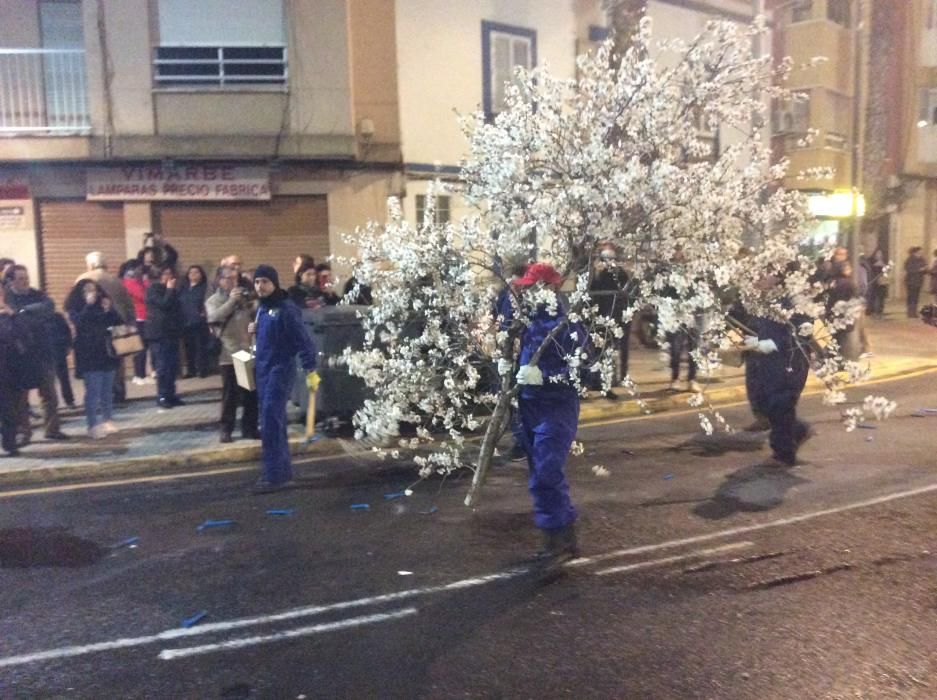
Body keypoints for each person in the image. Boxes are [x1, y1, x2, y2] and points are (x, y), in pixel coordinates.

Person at [499, 262, 584, 564]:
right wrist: (507, 371)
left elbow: (583, 372)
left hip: (556, 407)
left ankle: (557, 541)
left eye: (533, 286)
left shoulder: (567, 326)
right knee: (540, 474)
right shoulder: (525, 321)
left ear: (550, 287)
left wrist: (545, 378)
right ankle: (563, 536)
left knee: (546, 473)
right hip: (529, 406)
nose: (527, 291)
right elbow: (509, 348)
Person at [249, 264, 318, 492]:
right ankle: (279, 472)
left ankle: (275, 475)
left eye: (265, 282)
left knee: (271, 420)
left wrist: (311, 369)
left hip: (280, 369)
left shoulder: (286, 309)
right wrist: (254, 331)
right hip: (263, 370)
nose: (260, 286)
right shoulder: (262, 308)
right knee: (271, 422)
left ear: (274, 283)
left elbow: (302, 339)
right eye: (257, 282)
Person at [741, 285, 811, 467]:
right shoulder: (764, 299)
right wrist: (753, 341)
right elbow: (758, 326)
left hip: (788, 362)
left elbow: (800, 331)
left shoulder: (795, 299)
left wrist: (769, 344)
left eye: (768, 272)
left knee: (780, 404)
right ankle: (798, 430)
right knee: (768, 404)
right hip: (767, 361)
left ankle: (784, 454)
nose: (762, 278)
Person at [3, 265, 69, 442]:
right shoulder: (7, 298)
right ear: (11, 281)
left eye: (26, 278)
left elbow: (49, 307)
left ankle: (52, 429)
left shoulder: (36, 294)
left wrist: (24, 313)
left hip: (42, 352)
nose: (25, 282)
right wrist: (24, 317)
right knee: (21, 399)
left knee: (49, 394)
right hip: (20, 355)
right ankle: (24, 432)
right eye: (20, 279)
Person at [206, 265, 260, 443]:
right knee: (230, 395)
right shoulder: (214, 300)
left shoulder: (242, 299)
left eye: (235, 278)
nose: (232, 282)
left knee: (249, 394)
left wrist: (253, 303)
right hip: (228, 353)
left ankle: (249, 428)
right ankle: (226, 430)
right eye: (228, 278)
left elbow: (252, 315)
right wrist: (231, 301)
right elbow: (213, 317)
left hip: (244, 351)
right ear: (220, 280)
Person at [66, 281, 123, 438]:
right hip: (88, 354)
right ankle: (92, 425)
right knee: (93, 391)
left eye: (94, 290)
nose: (92, 293)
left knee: (107, 390)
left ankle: (108, 420)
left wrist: (109, 309)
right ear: (80, 293)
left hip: (107, 352)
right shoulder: (75, 307)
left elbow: (119, 323)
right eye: (87, 290)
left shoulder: (104, 305)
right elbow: (80, 322)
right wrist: (89, 305)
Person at [589, 243, 631, 397]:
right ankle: (595, 381)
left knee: (608, 352)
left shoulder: (620, 275)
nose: (609, 262)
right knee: (596, 351)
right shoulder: (597, 274)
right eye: (606, 259)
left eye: (611, 259)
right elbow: (592, 292)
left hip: (614, 317)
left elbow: (625, 294)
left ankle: (606, 384)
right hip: (599, 317)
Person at [1, 296, 42, 456]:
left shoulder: (10, 317)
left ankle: (9, 444)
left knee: (9, 411)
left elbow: (25, 335)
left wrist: (13, 315)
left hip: (10, 371)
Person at [145, 265, 185, 409]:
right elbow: (164, 304)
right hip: (159, 334)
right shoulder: (153, 289)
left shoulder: (173, 290)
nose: (169, 277)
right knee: (162, 366)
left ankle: (171, 394)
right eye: (166, 273)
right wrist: (169, 289)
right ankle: (162, 396)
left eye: (171, 274)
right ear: (160, 276)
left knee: (172, 366)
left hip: (172, 332)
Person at [121, 258, 153, 386]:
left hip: (143, 317)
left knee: (143, 347)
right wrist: (145, 281)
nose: (140, 271)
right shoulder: (129, 282)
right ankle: (139, 375)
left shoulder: (135, 281)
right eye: (138, 268)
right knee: (140, 347)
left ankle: (141, 374)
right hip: (139, 318)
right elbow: (145, 296)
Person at [179, 265, 211, 378]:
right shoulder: (184, 288)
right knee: (188, 348)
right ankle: (191, 370)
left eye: (196, 272)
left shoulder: (204, 287)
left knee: (200, 346)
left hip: (199, 321)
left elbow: (208, 301)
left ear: (201, 274)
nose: (193, 274)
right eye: (191, 272)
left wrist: (203, 313)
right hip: (185, 321)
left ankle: (202, 369)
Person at [51, 308, 76, 409]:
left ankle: (69, 400)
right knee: (49, 381)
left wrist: (68, 345)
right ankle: (53, 404)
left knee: (63, 378)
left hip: (58, 350)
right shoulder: (37, 317)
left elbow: (66, 331)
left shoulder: (57, 316)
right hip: (47, 353)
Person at [904, 246, 928, 318]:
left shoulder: (922, 259)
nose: (921, 254)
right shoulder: (909, 260)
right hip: (911, 281)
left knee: (916, 297)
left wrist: (925, 269)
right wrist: (918, 270)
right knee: (911, 297)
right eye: (919, 252)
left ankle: (914, 312)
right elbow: (908, 269)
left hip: (919, 281)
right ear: (915, 253)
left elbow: (925, 268)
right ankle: (910, 312)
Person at [867, 248, 888, 318]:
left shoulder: (883, 262)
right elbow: (870, 272)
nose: (879, 255)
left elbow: (886, 272)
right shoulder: (871, 261)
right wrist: (875, 265)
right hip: (874, 282)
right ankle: (873, 312)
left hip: (882, 283)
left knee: (881, 298)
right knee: (874, 297)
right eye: (878, 254)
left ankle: (880, 312)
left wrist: (884, 266)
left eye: (880, 254)